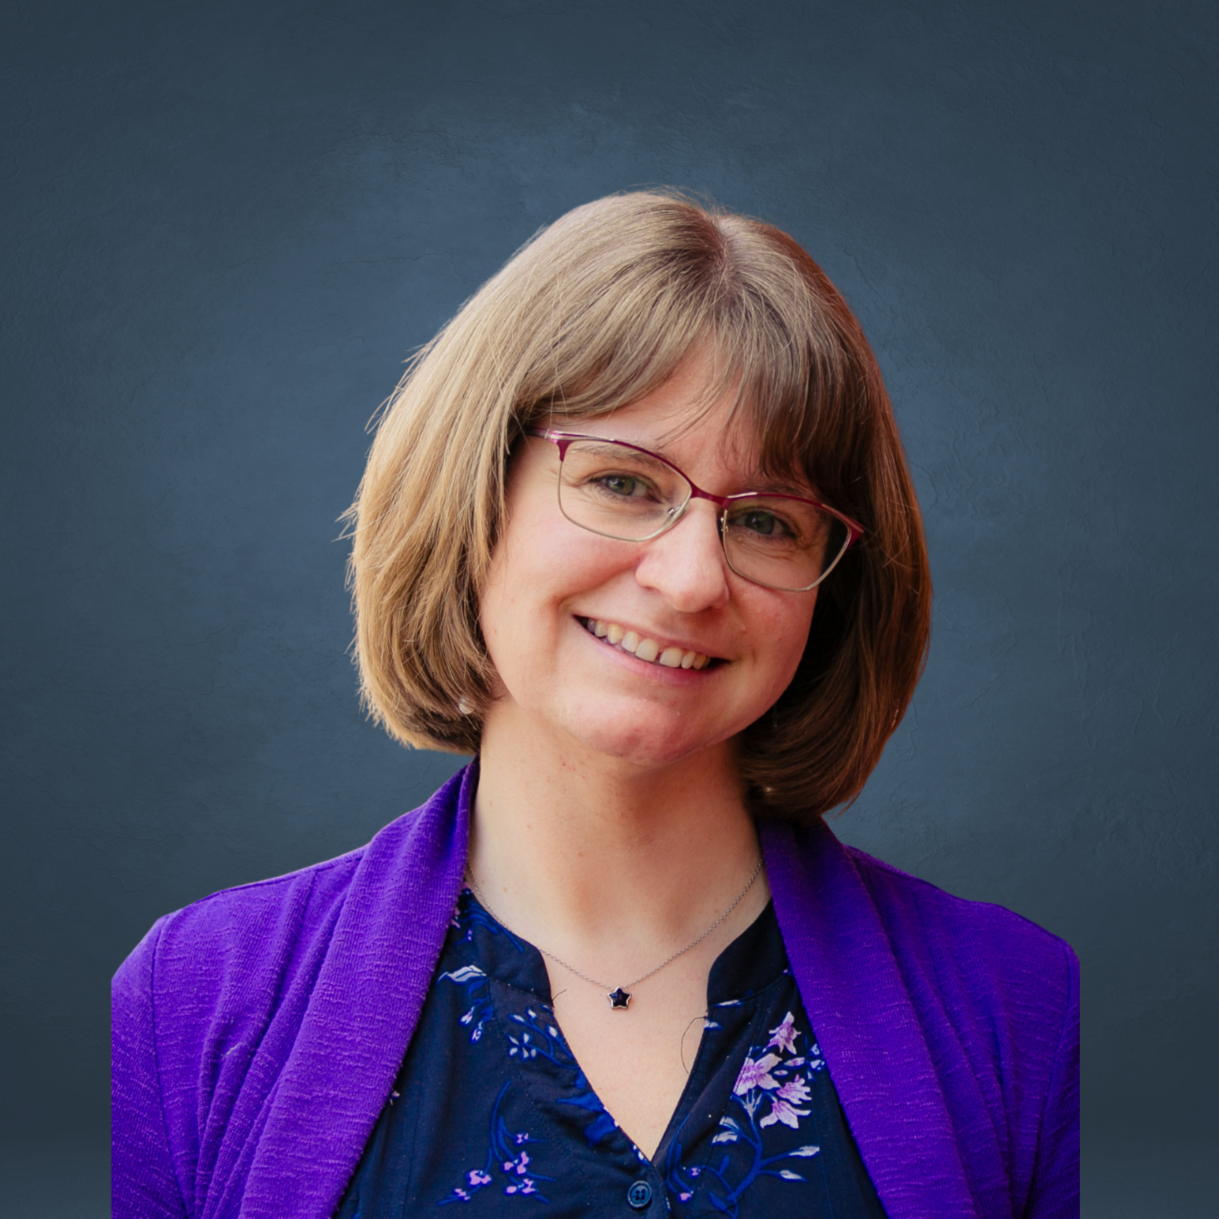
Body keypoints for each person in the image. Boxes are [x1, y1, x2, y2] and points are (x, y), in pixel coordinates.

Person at [112, 191, 1079, 1219]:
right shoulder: (190, 1006)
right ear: (475, 490)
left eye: (765, 521)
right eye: (623, 482)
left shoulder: (1023, 1013)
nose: (691, 578)